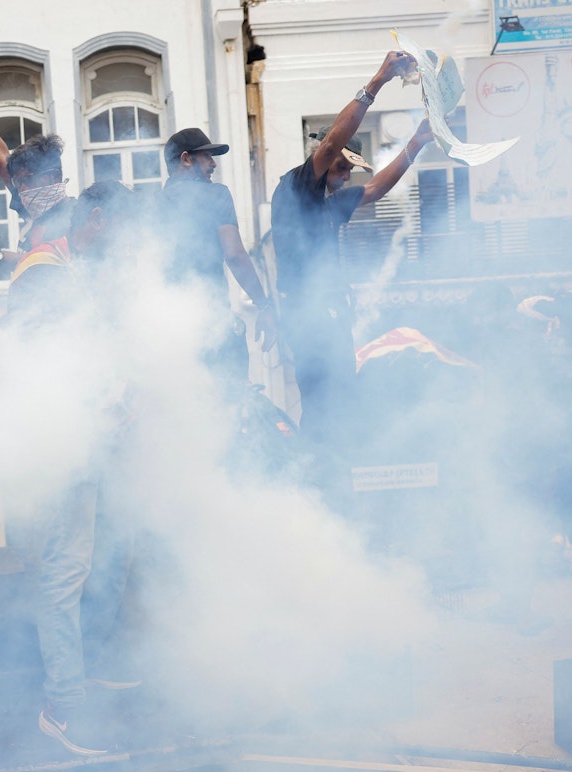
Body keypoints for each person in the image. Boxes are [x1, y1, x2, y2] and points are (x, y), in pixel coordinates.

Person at [3, 182, 139, 756]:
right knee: (64, 571)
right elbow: (43, 367)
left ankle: (83, 673)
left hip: (91, 440)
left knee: (94, 560)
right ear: (100, 219)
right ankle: (62, 707)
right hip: (65, 443)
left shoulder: (73, 269)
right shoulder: (44, 271)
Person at [269, 51, 432, 469]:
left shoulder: (331, 201)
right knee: (323, 407)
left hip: (329, 316)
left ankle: (335, 477)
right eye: (341, 165)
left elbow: (375, 190)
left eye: (349, 168)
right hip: (308, 319)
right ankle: (318, 482)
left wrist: (415, 145)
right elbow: (330, 145)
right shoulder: (297, 187)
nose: (346, 174)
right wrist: (379, 80)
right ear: (326, 159)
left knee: (341, 403)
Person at [161, 127, 275, 390]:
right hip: (210, 323)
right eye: (207, 157)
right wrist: (264, 305)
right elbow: (234, 255)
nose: (213, 164)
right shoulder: (216, 194)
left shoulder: (153, 204)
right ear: (186, 159)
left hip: (167, 330)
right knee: (229, 400)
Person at [0, 69, 74, 275]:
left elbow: (44, 262)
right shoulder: (33, 210)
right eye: (18, 183)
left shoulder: (73, 218)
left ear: (53, 177)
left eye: (27, 180)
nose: (22, 189)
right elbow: (0, 158)